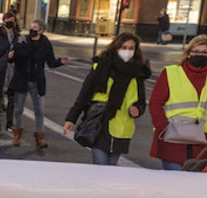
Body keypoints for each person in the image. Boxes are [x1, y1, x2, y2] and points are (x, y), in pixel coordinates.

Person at [62, 33, 152, 165]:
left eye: (131, 48)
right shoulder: (101, 67)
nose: (127, 51)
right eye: (123, 47)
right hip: (100, 122)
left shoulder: (137, 73)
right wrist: (71, 118)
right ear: (115, 48)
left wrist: (138, 109)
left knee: (111, 168)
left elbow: (141, 101)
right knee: (100, 165)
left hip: (122, 127)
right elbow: (84, 94)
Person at [149, 35, 207, 170]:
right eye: (196, 51)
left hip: (200, 139)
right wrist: (162, 127)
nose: (200, 55)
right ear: (188, 54)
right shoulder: (171, 72)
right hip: (173, 139)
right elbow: (155, 102)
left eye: (205, 52)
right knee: (174, 183)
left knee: (193, 185)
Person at [8, 19, 69, 148]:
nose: (32, 29)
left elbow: (50, 62)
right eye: (31, 27)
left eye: (35, 27)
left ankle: (40, 138)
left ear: (41, 30)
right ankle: (17, 134)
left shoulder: (45, 43)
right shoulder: (22, 40)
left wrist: (60, 62)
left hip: (37, 81)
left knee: (39, 110)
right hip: (22, 79)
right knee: (18, 109)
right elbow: (14, 57)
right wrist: (11, 56)